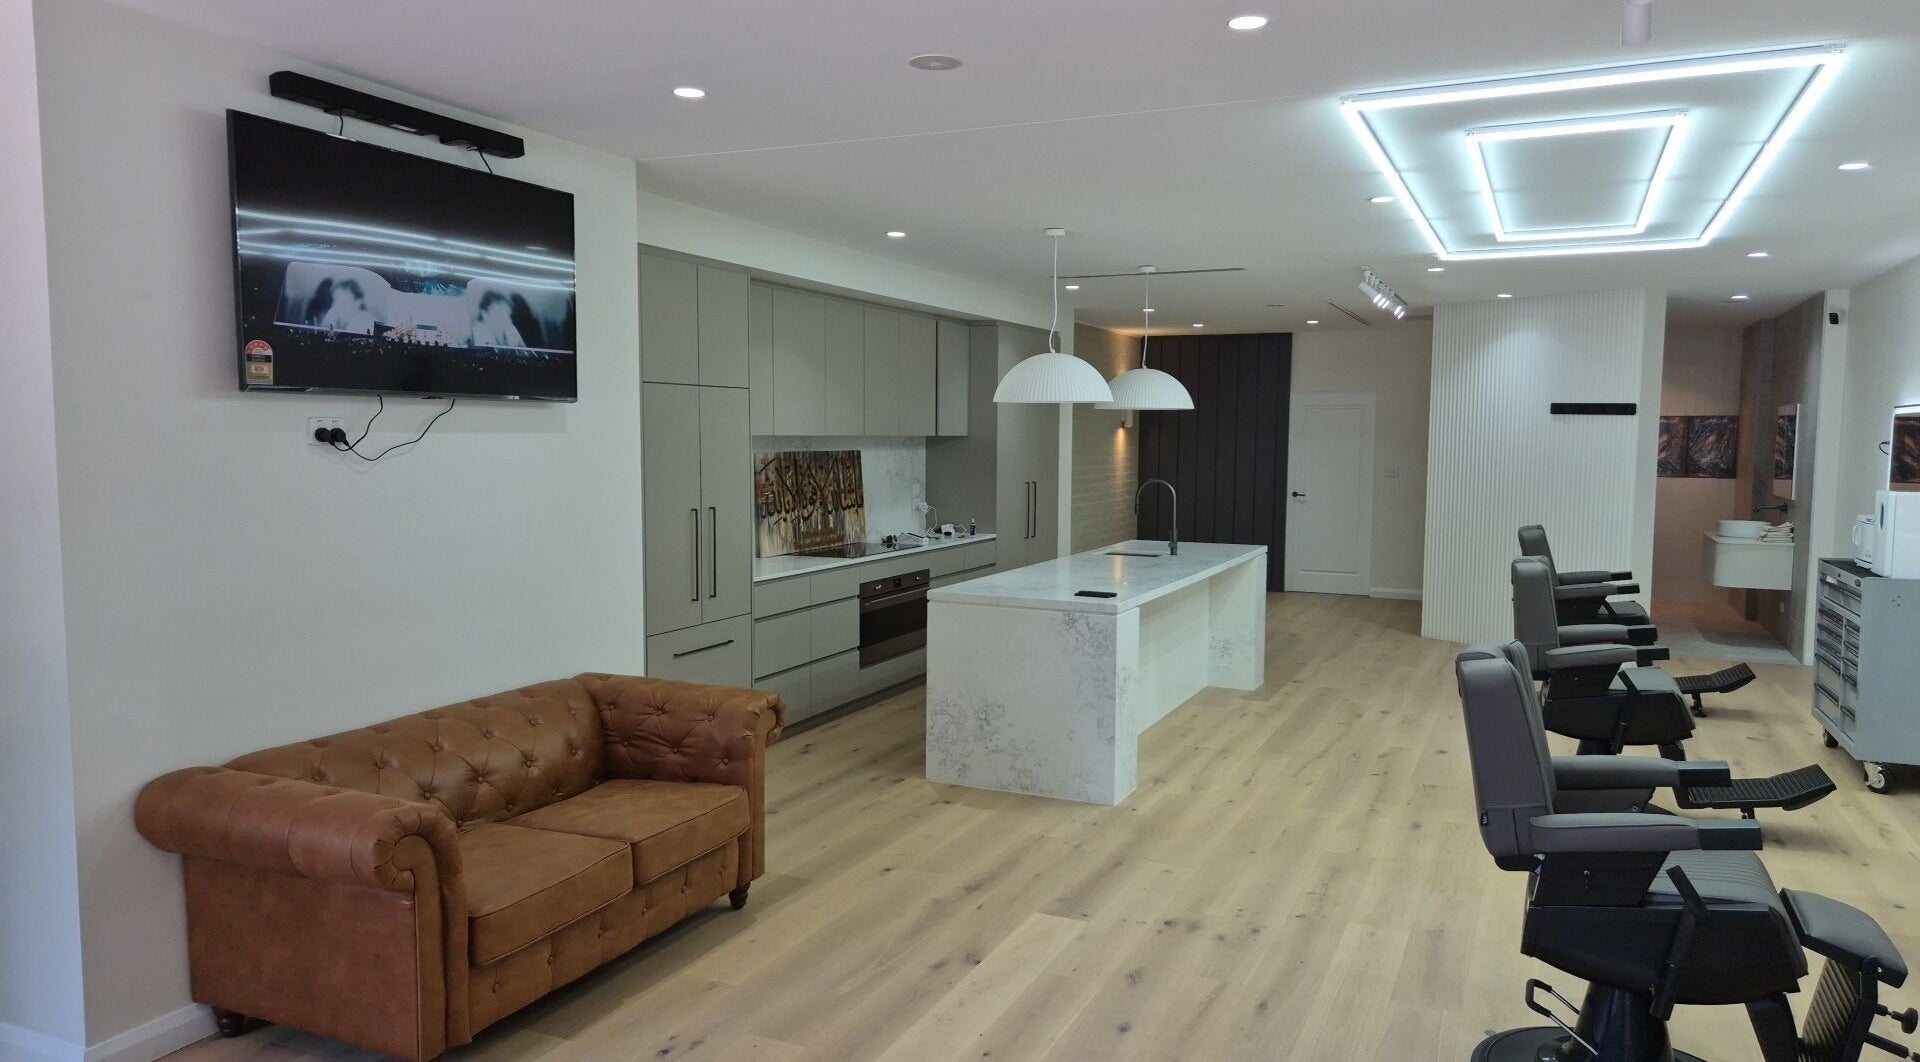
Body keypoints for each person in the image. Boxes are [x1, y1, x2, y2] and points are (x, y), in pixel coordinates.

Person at [304, 277, 374, 334]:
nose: (336, 306)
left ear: (358, 302)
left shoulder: (366, 322)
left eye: (344, 302)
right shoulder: (336, 314)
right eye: (336, 300)